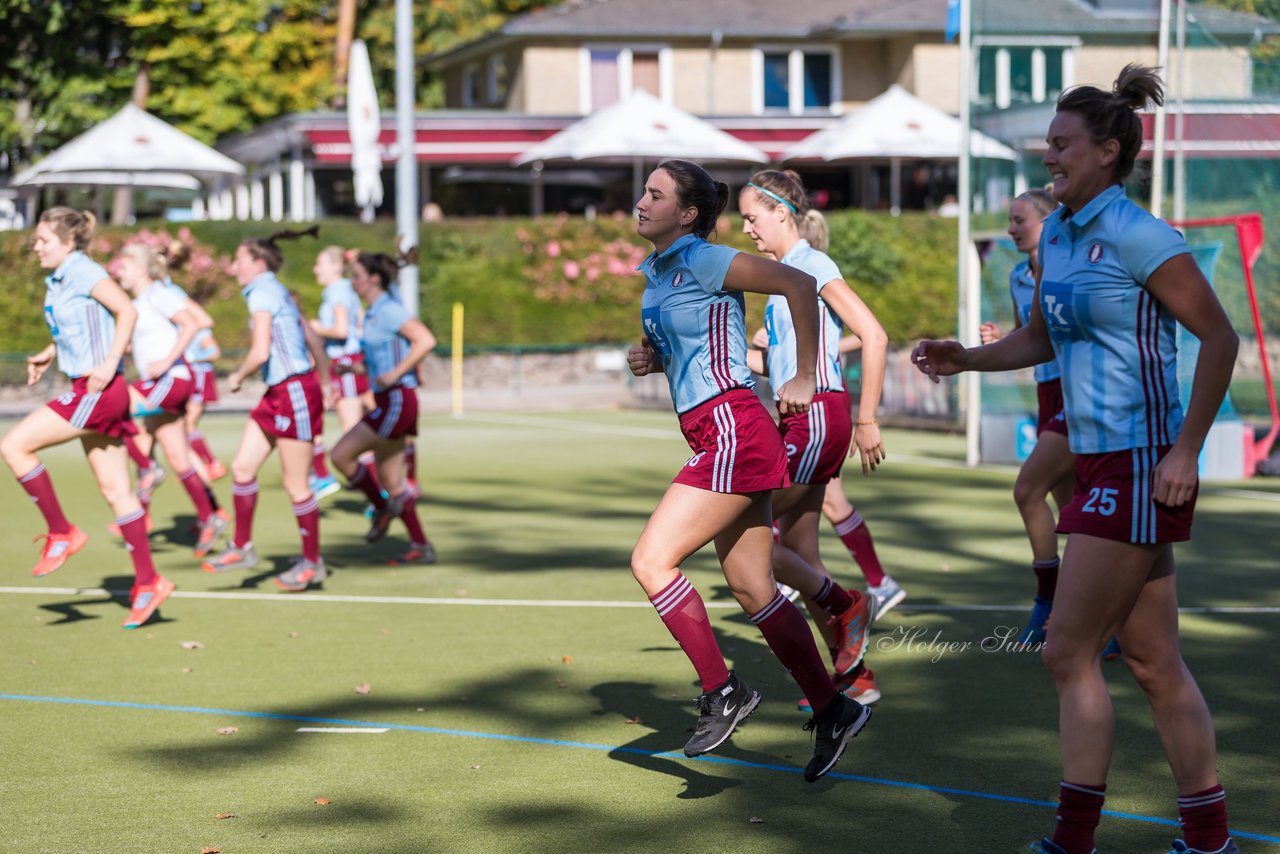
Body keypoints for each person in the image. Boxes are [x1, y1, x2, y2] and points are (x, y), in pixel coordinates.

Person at [912, 65, 1240, 854]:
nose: (1047, 155)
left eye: (1061, 144)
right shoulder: (1055, 233)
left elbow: (1219, 338)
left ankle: (1073, 842)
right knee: (1156, 664)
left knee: (1067, 649)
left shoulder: (1140, 235)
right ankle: (1210, 841)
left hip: (1138, 463)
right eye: (1046, 143)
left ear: (1108, 151)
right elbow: (1041, 340)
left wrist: (1185, 451)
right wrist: (963, 359)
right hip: (1097, 462)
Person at [627, 159, 870, 783]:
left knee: (652, 562)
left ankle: (722, 691)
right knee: (754, 588)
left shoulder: (707, 258)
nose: (641, 201)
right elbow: (704, 341)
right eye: (643, 191)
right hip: (722, 428)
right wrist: (653, 358)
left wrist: (804, 373)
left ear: (687, 213)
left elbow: (795, 282)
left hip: (733, 426)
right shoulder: (656, 272)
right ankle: (834, 706)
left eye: (655, 194)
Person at [738, 169, 888, 709]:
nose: (747, 229)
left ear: (782, 212)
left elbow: (873, 334)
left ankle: (850, 604)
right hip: (798, 417)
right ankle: (857, 678)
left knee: (743, 532)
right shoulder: (784, 274)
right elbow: (773, 366)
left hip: (820, 415)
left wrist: (867, 417)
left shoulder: (812, 265)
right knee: (799, 553)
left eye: (752, 217)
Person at [0, 208, 174, 629]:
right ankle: (149, 582)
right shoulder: (60, 277)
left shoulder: (81, 269)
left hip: (97, 390)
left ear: (67, 242)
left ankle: (61, 532)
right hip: (95, 389)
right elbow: (83, 326)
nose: (35, 247)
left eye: (43, 240)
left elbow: (126, 312)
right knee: (117, 492)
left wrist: (109, 362)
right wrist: (51, 350)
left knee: (12, 445)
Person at [200, 231, 334, 593]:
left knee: (296, 484)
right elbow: (313, 340)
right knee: (243, 469)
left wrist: (238, 376)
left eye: (239, 259)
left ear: (258, 264)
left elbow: (260, 352)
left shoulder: (262, 292)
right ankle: (242, 547)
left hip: (293, 391)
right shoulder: (276, 290)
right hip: (281, 391)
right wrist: (326, 380)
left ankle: (312, 562)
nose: (234, 266)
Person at [978, 188, 1074, 645]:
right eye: (1010, 220)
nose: (1012, 228)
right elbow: (1033, 335)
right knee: (1071, 505)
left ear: (1049, 221)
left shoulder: (1069, 267)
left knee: (1029, 489)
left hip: (1078, 394)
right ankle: (1095, 615)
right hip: (1046, 391)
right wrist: (1002, 338)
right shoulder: (1020, 275)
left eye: (1020, 220)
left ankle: (1050, 601)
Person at [329, 251, 438, 567]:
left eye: (358, 275)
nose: (353, 281)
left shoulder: (389, 310)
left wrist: (397, 372)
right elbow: (377, 362)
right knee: (392, 482)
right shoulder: (373, 312)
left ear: (374, 279)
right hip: (387, 399)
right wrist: (353, 370)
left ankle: (380, 508)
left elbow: (425, 340)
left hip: (398, 399)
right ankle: (420, 545)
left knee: (341, 455)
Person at [115, 244, 225, 556]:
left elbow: (191, 323)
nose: (118, 273)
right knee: (179, 458)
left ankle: (147, 468)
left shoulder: (157, 293)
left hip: (169, 379)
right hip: (159, 383)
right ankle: (210, 517)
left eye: (123, 267)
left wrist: (167, 360)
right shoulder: (138, 301)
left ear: (139, 269)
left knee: (112, 407)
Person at [164, 241, 227, 484]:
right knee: (183, 425)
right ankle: (205, 467)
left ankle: (210, 464)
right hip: (187, 373)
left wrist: (189, 354)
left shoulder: (172, 295)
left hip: (199, 374)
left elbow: (213, 348)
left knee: (189, 424)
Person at [307, 245, 367, 501]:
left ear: (335, 267)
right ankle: (322, 476)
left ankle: (380, 491)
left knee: (353, 430)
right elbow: (361, 322)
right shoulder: (341, 291)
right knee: (315, 418)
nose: (315, 269)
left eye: (319, 263)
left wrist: (316, 327)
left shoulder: (338, 291)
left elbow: (342, 330)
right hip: (337, 363)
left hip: (345, 364)